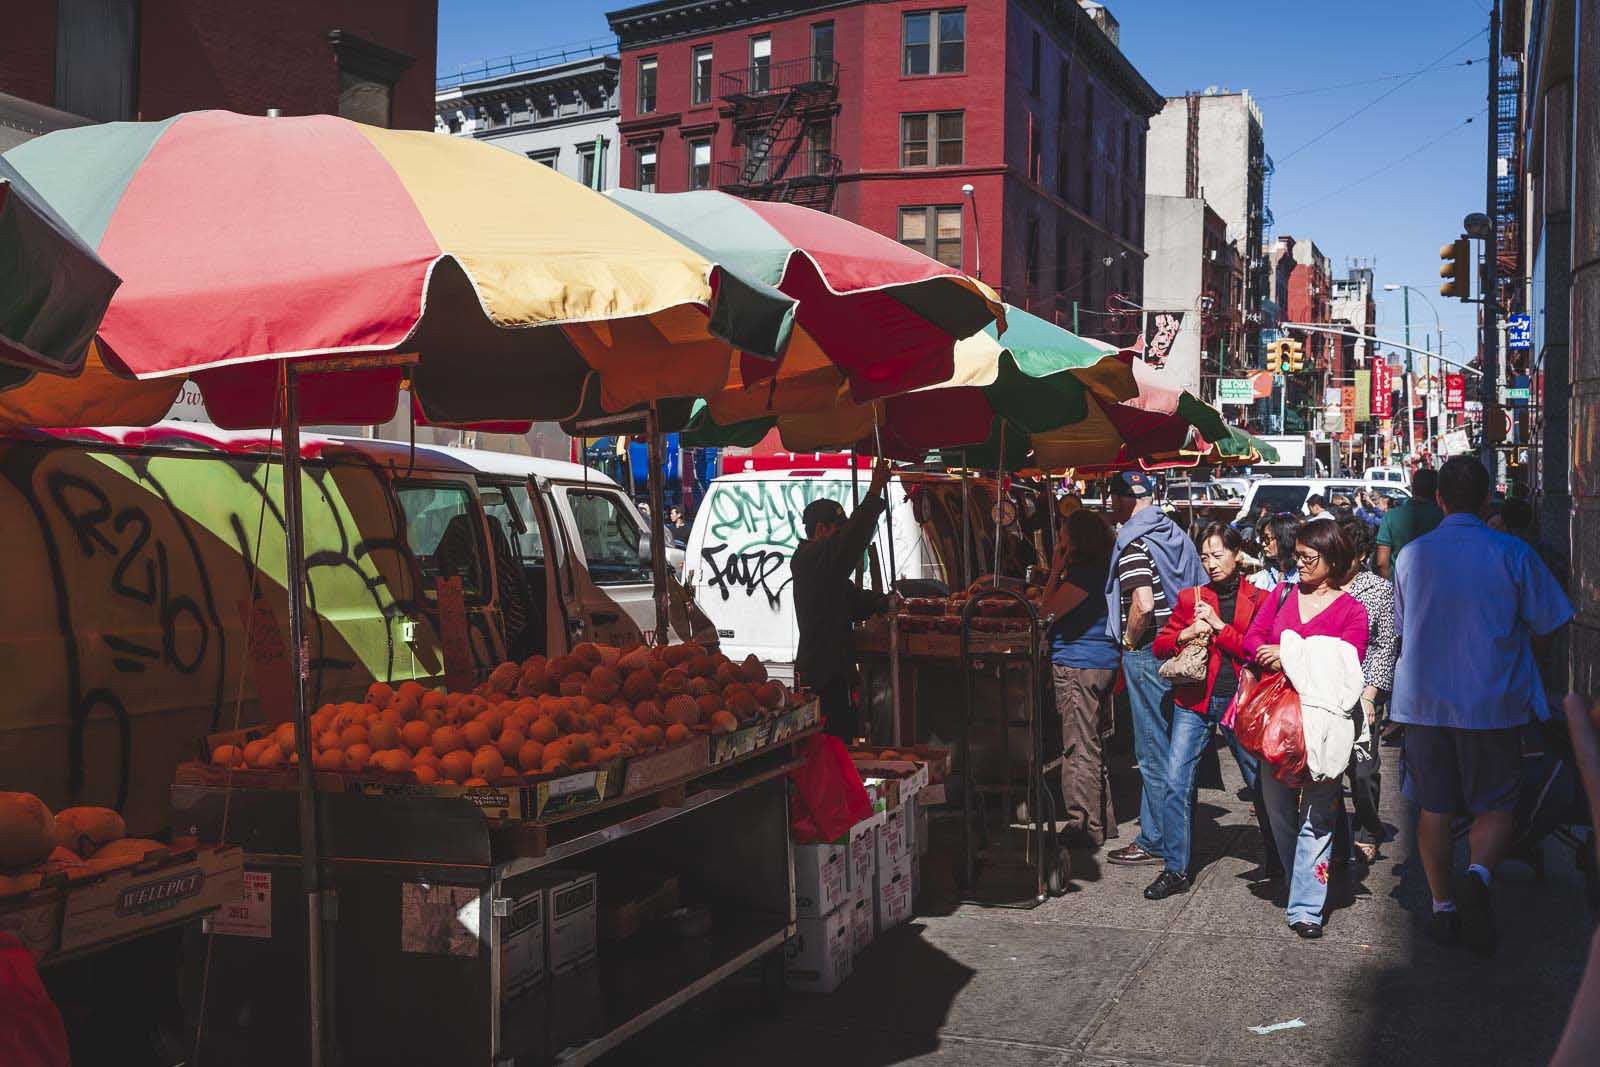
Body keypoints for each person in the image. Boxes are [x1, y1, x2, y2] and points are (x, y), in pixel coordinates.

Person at [1391, 455, 1573, 954]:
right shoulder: (1511, 552)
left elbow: (1404, 628)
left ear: (1439, 500)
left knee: (1434, 805)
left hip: (1425, 702)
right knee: (1496, 803)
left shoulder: (1412, 556)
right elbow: (1551, 619)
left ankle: (1443, 906)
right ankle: (1478, 873)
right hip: (1492, 698)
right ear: (1488, 497)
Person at [1241, 519, 1370, 938]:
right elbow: (1251, 640)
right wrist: (1271, 656)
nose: (1300, 565)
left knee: (1320, 810)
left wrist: (1291, 653)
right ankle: (1306, 874)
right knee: (1276, 806)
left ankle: (1306, 907)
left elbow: (1349, 661)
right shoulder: (1281, 595)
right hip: (1277, 722)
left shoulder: (1352, 610)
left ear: (1333, 560)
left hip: (1323, 725)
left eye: (1309, 558)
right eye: (1297, 556)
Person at [1146, 523, 1276, 899]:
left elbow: (1256, 652)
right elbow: (1161, 645)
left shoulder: (1260, 599)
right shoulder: (1191, 597)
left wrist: (1218, 627)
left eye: (1218, 554)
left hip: (1240, 701)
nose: (1211, 563)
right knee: (1176, 782)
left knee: (1260, 784)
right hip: (1194, 702)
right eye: (1205, 556)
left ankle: (1277, 857)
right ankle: (1175, 868)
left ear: (1237, 554)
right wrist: (1185, 634)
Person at [1102, 471, 1207, 867]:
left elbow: (1142, 604)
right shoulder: (1174, 532)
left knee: (1152, 748)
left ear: (1124, 499)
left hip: (1150, 650)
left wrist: (1129, 641)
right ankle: (1175, 831)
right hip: (1184, 646)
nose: (1111, 507)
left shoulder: (1131, 541)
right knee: (1177, 745)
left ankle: (1156, 838)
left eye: (1112, 498)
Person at [793, 458, 894, 740]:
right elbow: (850, 542)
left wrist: (882, 602)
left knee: (843, 740)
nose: (840, 537)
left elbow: (850, 599)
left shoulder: (825, 567)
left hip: (834, 671)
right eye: (837, 529)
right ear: (821, 529)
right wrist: (874, 493)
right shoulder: (810, 558)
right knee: (831, 744)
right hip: (822, 675)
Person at [1041, 509, 1122, 849]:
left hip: (1080, 663)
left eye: (1062, 536)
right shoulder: (1101, 568)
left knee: (1078, 747)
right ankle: (1103, 820)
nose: (1058, 542)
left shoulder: (1084, 574)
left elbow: (1046, 609)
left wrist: (1055, 569)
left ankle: (1084, 824)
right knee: (1092, 743)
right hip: (1098, 662)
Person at [1331, 514, 1398, 864]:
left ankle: (1368, 827)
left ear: (1360, 556)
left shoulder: (1379, 590)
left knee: (1362, 768)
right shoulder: (1319, 584)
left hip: (1363, 689)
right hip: (1326, 686)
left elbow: (1386, 643)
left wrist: (1371, 695)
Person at [1375, 468, 1442, 578]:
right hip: (1433, 586)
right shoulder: (1443, 518)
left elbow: (1382, 563)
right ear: (1436, 490)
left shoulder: (1391, 516)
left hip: (1399, 586)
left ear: (1413, 487)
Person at [1249, 512, 1303, 592]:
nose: (1263, 544)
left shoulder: (1300, 576)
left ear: (1284, 539)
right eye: (1262, 538)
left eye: (1267, 539)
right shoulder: (1269, 573)